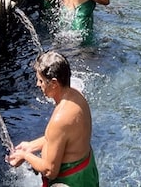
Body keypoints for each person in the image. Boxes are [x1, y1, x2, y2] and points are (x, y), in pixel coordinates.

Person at [7, 51, 100, 186]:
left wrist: (25, 156)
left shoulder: (59, 119)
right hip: (86, 172)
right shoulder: (77, 96)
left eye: (41, 81)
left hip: (71, 182)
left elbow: (50, 170)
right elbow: (61, 138)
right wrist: (30, 146)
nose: (38, 84)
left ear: (54, 84)